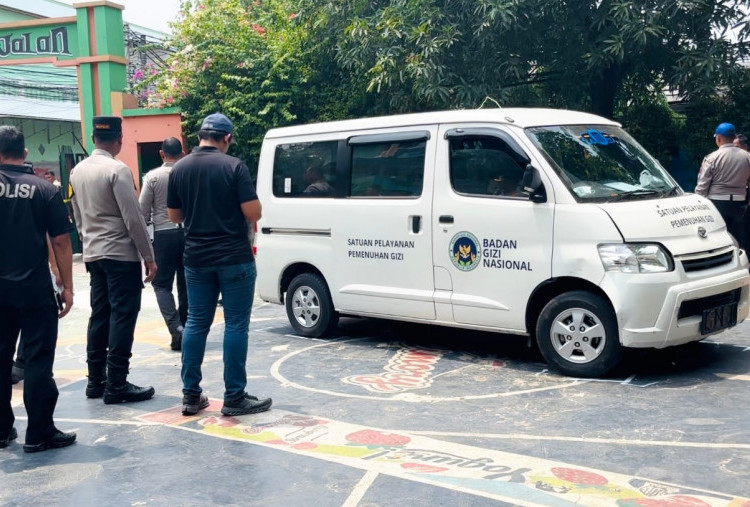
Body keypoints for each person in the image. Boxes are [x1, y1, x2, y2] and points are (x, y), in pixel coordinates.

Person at [167, 113, 272, 417]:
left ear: (200, 136)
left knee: (196, 323)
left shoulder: (179, 168)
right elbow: (254, 212)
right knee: (236, 324)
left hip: (196, 259)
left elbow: (174, 216)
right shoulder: (234, 166)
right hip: (233, 257)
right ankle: (234, 397)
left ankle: (191, 395)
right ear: (226, 138)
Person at [0, 125, 76, 453]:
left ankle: (1, 429)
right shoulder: (44, 189)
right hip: (34, 289)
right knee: (37, 359)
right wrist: (67, 286)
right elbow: (61, 241)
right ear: (25, 152)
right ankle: (39, 431)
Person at [70, 116, 157, 404]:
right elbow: (133, 218)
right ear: (119, 140)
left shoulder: (77, 171)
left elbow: (77, 215)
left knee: (100, 314)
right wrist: (148, 256)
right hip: (120, 254)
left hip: (93, 253)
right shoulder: (118, 170)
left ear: (93, 138)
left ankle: (95, 381)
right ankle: (117, 383)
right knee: (123, 315)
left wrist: (88, 243)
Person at [139, 137, 187, 351]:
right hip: (188, 234)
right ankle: (187, 329)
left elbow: (142, 211)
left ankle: (176, 328)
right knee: (187, 283)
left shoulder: (152, 177)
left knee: (161, 285)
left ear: (161, 154)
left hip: (163, 235)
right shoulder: (188, 174)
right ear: (182, 153)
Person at [695, 122, 750, 250]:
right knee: (739, 241)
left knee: (717, 240)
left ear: (718, 138)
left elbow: (702, 186)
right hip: (740, 205)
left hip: (716, 204)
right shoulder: (747, 157)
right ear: (733, 137)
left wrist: (699, 207)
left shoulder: (712, 158)